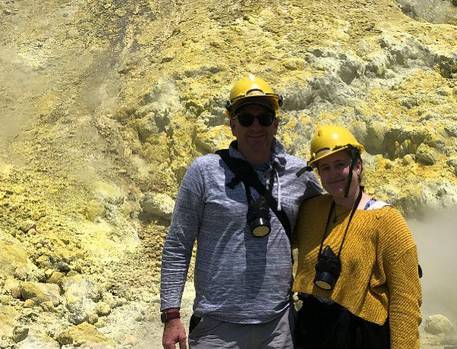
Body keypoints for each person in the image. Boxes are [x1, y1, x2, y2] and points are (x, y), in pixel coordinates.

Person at [160, 74, 322, 349]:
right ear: (232, 125)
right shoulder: (204, 172)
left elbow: (332, 219)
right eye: (246, 118)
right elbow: (178, 244)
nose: (255, 126)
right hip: (216, 328)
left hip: (278, 328)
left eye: (265, 118)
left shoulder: (298, 174)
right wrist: (171, 315)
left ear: (276, 124)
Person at [292, 125, 422, 349]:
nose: (333, 174)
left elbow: (406, 300)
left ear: (358, 166)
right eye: (325, 167)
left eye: (340, 164)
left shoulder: (386, 221)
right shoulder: (311, 211)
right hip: (313, 330)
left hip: (362, 335)